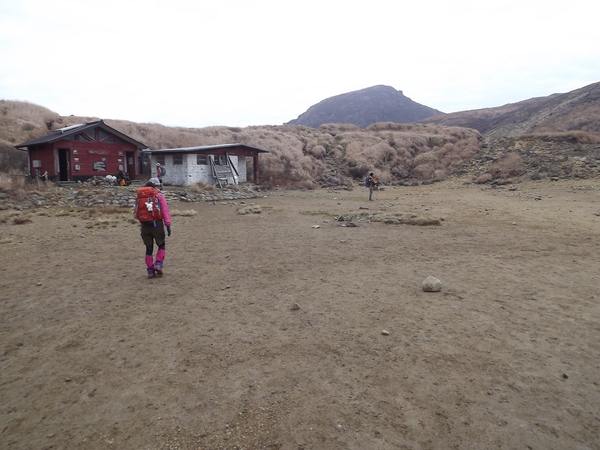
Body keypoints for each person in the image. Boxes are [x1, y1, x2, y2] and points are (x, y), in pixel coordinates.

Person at [135, 177, 172, 278]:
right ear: (156, 186)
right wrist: (168, 225)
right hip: (157, 224)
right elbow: (164, 211)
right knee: (161, 244)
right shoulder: (159, 196)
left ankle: (150, 271)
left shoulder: (140, 196)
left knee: (148, 248)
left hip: (144, 225)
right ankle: (158, 264)